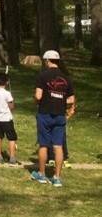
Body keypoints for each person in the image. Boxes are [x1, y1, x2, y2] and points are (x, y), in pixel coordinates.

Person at [31, 50, 75, 188]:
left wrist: (36, 100)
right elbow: (71, 99)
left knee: (44, 145)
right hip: (60, 115)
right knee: (58, 146)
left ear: (47, 61)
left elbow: (38, 96)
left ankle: (42, 174)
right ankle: (57, 177)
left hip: (45, 113)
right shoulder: (66, 78)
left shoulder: (43, 75)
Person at [0, 73, 19, 166]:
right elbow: (11, 106)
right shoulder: (7, 93)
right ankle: (12, 158)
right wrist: (13, 103)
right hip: (6, 119)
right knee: (12, 138)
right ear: (7, 82)